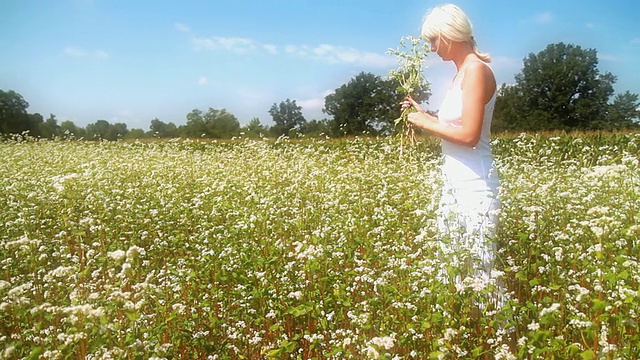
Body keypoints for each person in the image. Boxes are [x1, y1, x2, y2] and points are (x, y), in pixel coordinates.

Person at [403, 4, 502, 306]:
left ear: (449, 34)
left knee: (483, 275)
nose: (432, 49)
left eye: (434, 40)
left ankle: (507, 346)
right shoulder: (462, 73)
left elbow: (470, 136)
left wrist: (426, 123)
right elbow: (455, 125)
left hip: (475, 185)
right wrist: (426, 115)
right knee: (453, 272)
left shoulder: (476, 71)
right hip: (455, 185)